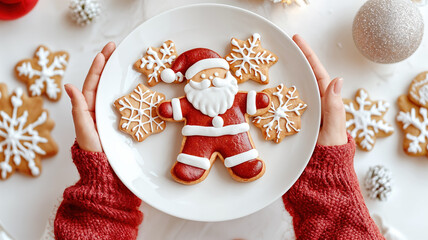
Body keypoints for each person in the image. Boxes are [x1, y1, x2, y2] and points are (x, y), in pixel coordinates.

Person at [54, 35, 385, 239]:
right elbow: (169, 109)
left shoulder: (235, 97)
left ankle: (245, 164)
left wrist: (100, 206)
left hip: (237, 137)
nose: (211, 82)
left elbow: (256, 100)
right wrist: (330, 193)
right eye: (204, 77)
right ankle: (193, 167)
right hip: (197, 139)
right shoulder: (192, 101)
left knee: (242, 157)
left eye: (216, 76)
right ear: (192, 81)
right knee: (192, 158)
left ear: (227, 77)